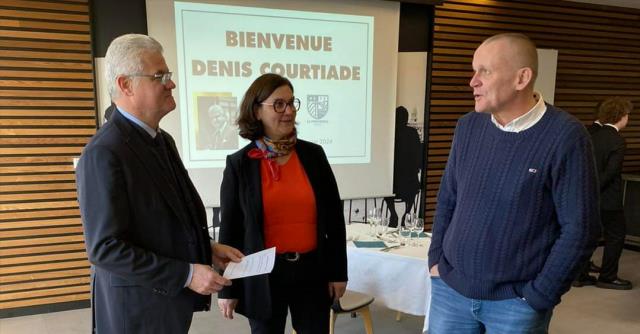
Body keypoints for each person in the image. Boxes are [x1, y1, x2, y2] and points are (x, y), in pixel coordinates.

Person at [427, 33, 599, 333]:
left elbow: (580, 229)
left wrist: (539, 295)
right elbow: (448, 199)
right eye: (474, 70)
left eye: (485, 71)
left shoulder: (565, 136)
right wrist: (436, 262)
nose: (473, 81)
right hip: (450, 289)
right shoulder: (468, 126)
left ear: (522, 78)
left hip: (516, 303)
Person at [76, 34, 243, 334]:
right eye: (160, 76)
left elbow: (160, 221)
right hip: (136, 314)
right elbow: (105, 248)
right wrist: (186, 273)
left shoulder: (162, 140)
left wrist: (207, 248)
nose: (171, 83)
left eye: (169, 75)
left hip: (164, 308)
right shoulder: (103, 152)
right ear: (126, 85)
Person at [217, 73, 347, 334]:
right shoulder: (240, 164)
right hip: (263, 275)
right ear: (256, 111)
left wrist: (338, 272)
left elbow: (334, 218)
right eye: (278, 104)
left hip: (312, 272)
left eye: (291, 103)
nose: (288, 111)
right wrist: (227, 287)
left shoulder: (313, 155)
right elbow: (230, 231)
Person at [574, 97, 633, 290]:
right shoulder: (617, 140)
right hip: (608, 199)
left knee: (588, 236)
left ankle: (580, 275)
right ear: (621, 117)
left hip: (586, 197)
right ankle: (607, 276)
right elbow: (611, 172)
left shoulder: (591, 134)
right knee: (616, 236)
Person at [384, 106, 422, 227]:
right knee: (413, 187)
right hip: (410, 183)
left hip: (393, 183)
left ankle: (393, 213)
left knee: (385, 187)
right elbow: (418, 156)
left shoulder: (390, 132)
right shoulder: (413, 133)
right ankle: (407, 213)